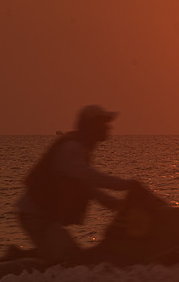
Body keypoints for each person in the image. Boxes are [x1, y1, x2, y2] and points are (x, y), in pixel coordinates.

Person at [17, 104, 141, 262]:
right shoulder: (71, 149)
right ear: (91, 125)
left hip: (44, 217)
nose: (108, 127)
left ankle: (25, 257)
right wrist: (128, 185)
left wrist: (118, 205)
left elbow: (89, 189)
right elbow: (91, 178)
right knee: (71, 261)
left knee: (63, 257)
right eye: (103, 123)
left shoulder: (80, 149)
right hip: (37, 216)